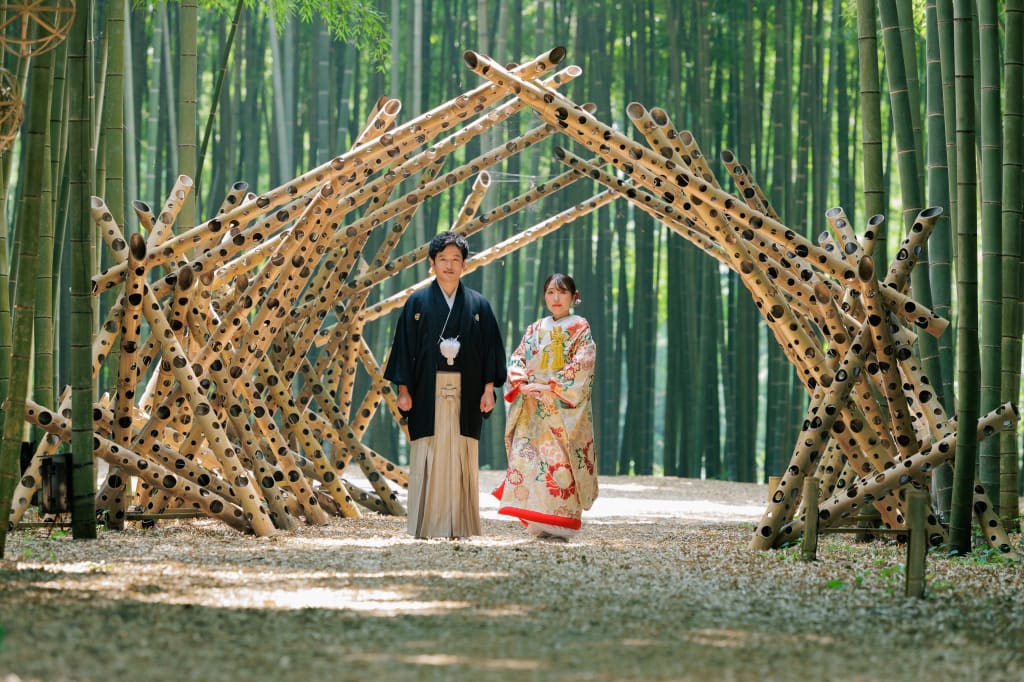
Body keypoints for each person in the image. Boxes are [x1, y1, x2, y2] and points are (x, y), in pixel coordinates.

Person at [384, 231, 506, 539]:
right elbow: (404, 348)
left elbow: (491, 349)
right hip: (427, 389)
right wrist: (403, 390)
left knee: (462, 453)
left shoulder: (479, 305)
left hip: (467, 392)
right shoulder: (417, 302)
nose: (449, 266)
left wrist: (488, 388)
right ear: (431, 263)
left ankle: (462, 525)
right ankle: (426, 525)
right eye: (443, 260)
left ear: (464, 264)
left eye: (455, 260)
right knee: (430, 451)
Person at [493, 273, 598, 540]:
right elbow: (518, 357)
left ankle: (561, 522)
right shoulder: (535, 328)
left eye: (562, 292)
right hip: (532, 407)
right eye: (550, 292)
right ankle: (537, 522)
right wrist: (522, 382)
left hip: (560, 410)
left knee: (560, 463)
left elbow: (583, 364)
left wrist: (551, 387)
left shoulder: (580, 327)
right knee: (531, 461)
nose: (555, 298)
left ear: (574, 297)